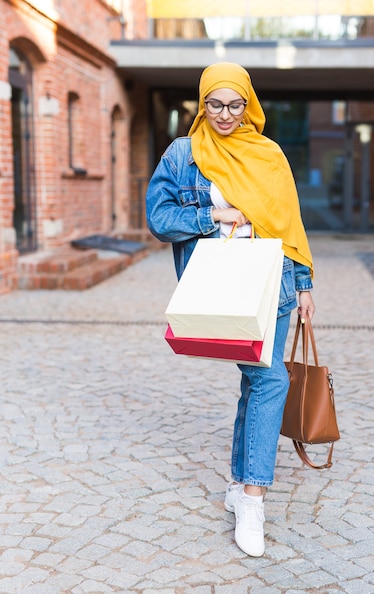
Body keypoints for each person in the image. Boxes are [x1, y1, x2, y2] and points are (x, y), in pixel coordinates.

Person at [146, 62, 315, 557]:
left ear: (249, 104)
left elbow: (290, 222)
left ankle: (250, 495)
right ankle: (246, 487)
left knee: (263, 379)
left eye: (235, 104)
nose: (224, 114)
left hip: (276, 282)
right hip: (218, 284)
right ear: (202, 104)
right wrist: (211, 214)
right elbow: (159, 217)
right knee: (264, 378)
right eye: (215, 104)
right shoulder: (184, 154)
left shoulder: (268, 153)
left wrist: (304, 283)